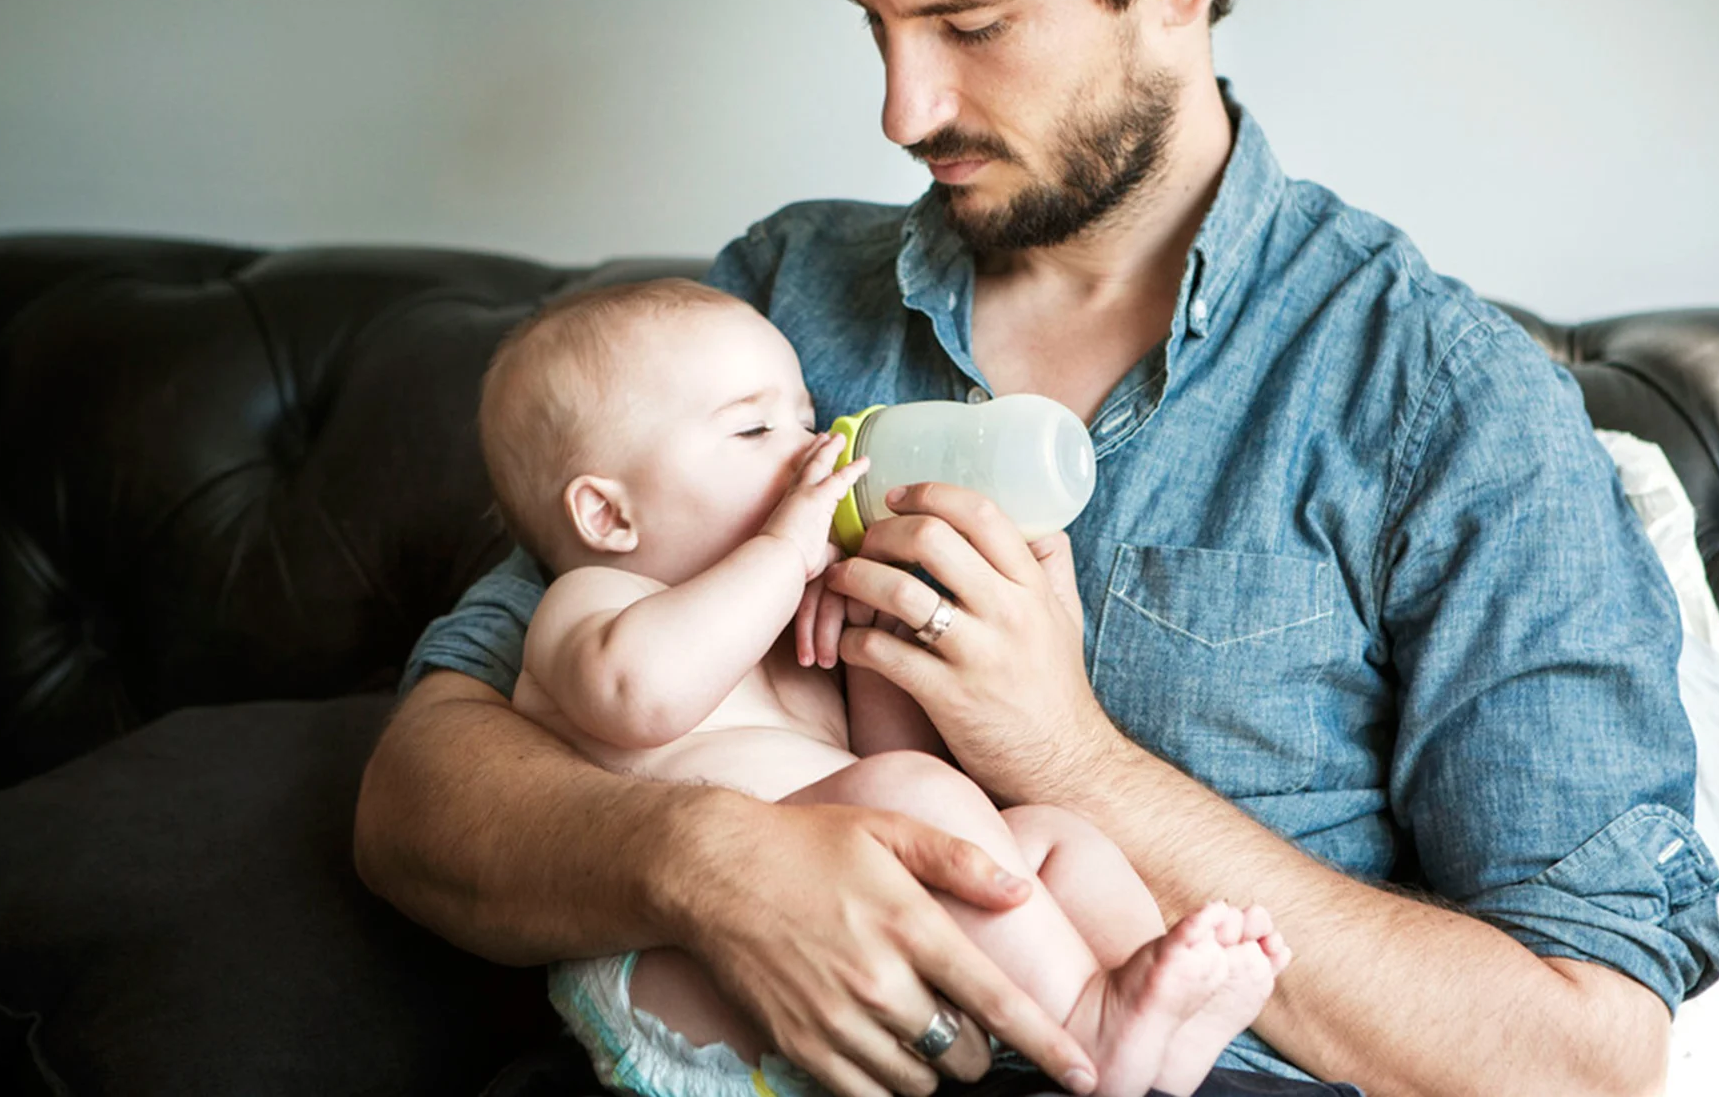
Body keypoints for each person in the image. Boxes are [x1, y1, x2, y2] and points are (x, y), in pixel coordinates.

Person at [355, 0, 1719, 1095]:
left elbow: (1587, 1057)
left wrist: (1070, 761)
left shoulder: (1442, 402)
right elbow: (421, 795)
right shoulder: (768, 316)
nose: (902, 110)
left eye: (971, 23)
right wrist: (702, 857)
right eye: (872, 23)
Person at [477, 279, 1290, 1097]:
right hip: (688, 974)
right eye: (754, 429)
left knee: (1046, 834)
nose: (811, 453)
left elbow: (891, 770)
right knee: (910, 793)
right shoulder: (594, 603)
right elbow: (641, 699)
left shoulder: (791, 621)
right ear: (607, 517)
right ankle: (1086, 1022)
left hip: (871, 949)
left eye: (804, 417)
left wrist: (882, 649)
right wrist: (785, 556)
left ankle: (1150, 1022)